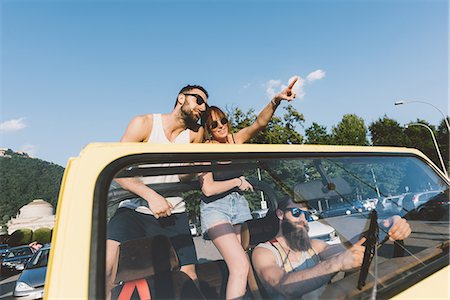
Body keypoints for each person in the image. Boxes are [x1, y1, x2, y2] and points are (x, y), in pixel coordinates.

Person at [198, 78, 298, 299]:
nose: (220, 126)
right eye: (214, 124)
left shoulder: (235, 140)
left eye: (222, 120)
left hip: (238, 206)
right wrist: (236, 182)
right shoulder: (204, 149)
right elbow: (208, 189)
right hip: (215, 209)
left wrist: (276, 100)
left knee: (241, 262)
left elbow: (259, 124)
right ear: (208, 129)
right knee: (240, 266)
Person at [106, 85, 209, 298]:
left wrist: (193, 167)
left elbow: (184, 178)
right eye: (199, 100)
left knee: (189, 275)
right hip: (133, 209)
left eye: (205, 105)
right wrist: (151, 195)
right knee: (106, 268)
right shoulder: (144, 124)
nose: (203, 107)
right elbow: (115, 169)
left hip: (174, 211)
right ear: (181, 98)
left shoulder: (194, 135)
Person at [251, 197, 412, 299]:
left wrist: (385, 227)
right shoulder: (264, 252)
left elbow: (348, 249)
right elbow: (284, 287)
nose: (303, 220)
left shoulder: (313, 246)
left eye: (306, 216)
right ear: (280, 214)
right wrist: (336, 263)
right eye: (296, 212)